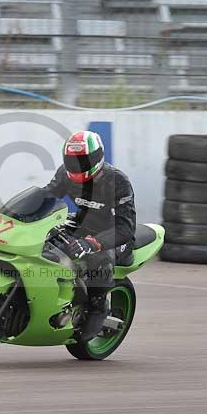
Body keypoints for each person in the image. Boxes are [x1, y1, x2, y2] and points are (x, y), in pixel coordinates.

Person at [43, 130, 136, 341]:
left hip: (114, 234)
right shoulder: (64, 174)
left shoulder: (118, 181)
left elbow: (125, 227)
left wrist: (93, 243)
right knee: (47, 241)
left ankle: (98, 307)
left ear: (97, 157)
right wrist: (20, 212)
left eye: (82, 160)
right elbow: (46, 197)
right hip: (82, 226)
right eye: (72, 160)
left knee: (97, 259)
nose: (76, 165)